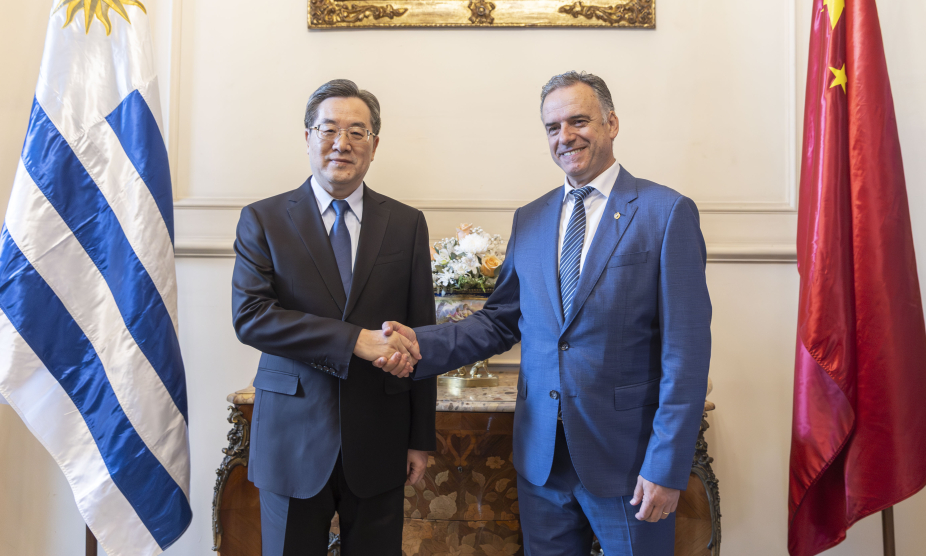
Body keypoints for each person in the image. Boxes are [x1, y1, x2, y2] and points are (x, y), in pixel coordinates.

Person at [380, 71, 712, 556]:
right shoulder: (531, 218)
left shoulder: (665, 212)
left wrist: (665, 466)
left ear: (612, 123)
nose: (565, 136)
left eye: (579, 121)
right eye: (553, 127)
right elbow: (499, 320)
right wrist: (416, 344)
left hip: (629, 462)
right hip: (542, 460)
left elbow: (686, 353)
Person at [232, 79, 434, 556]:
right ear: (308, 137)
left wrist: (420, 438)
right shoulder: (263, 219)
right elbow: (252, 317)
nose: (342, 143)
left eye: (357, 132)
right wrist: (353, 340)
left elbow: (420, 336)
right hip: (291, 436)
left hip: (381, 436)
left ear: (374, 145)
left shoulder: (406, 224)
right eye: (328, 129)